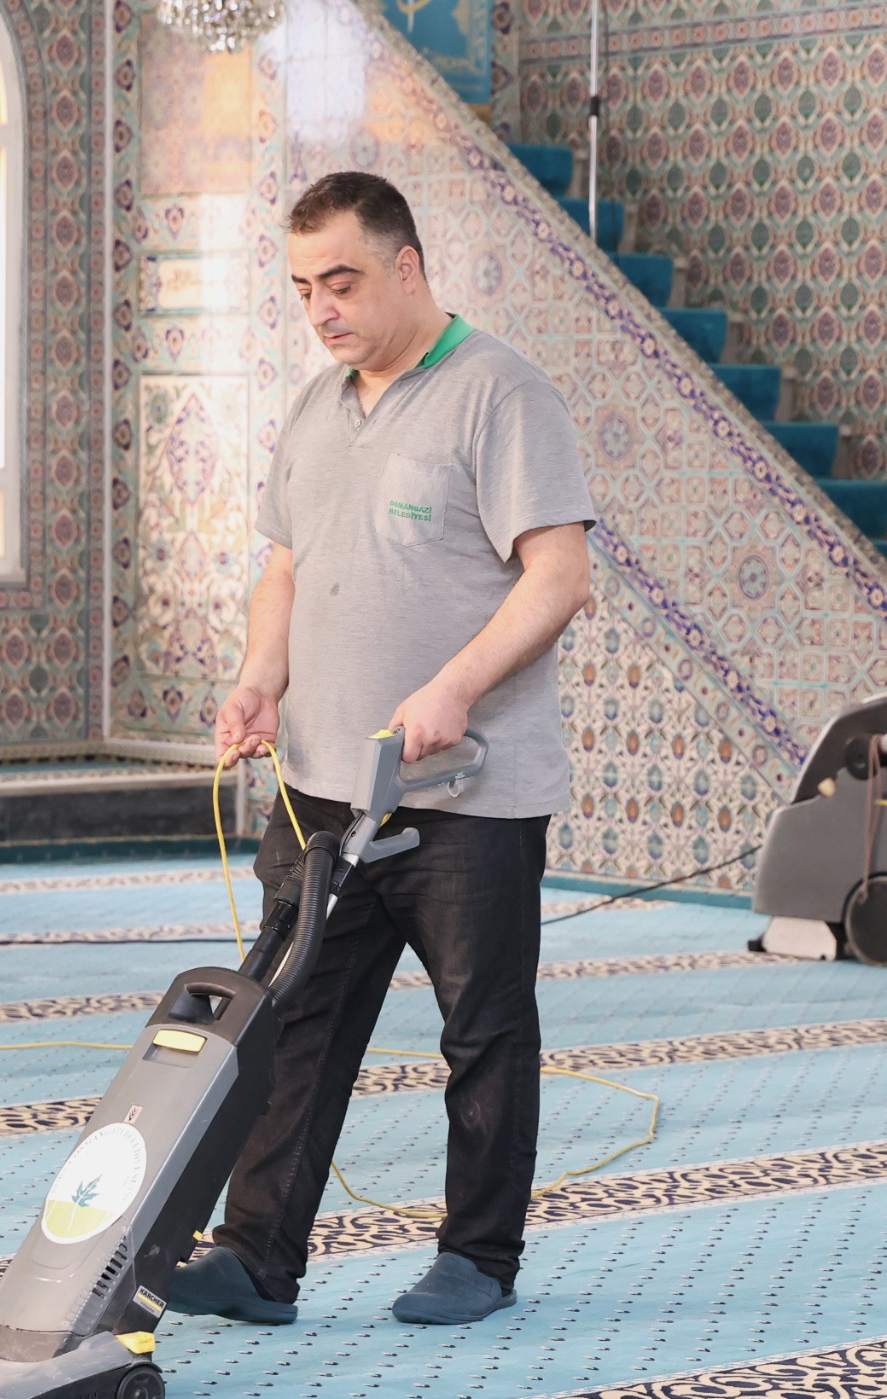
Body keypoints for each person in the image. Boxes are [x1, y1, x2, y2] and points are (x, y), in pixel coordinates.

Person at [167, 170, 597, 1328]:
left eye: (343, 280)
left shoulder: (499, 394)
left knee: (482, 1029)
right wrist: (261, 676)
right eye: (304, 286)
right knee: (291, 1018)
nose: (322, 307)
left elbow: (559, 575)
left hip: (466, 793)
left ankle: (478, 1256)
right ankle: (257, 1256)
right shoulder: (317, 406)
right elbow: (286, 568)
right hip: (320, 788)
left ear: (407, 267)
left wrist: (454, 684)